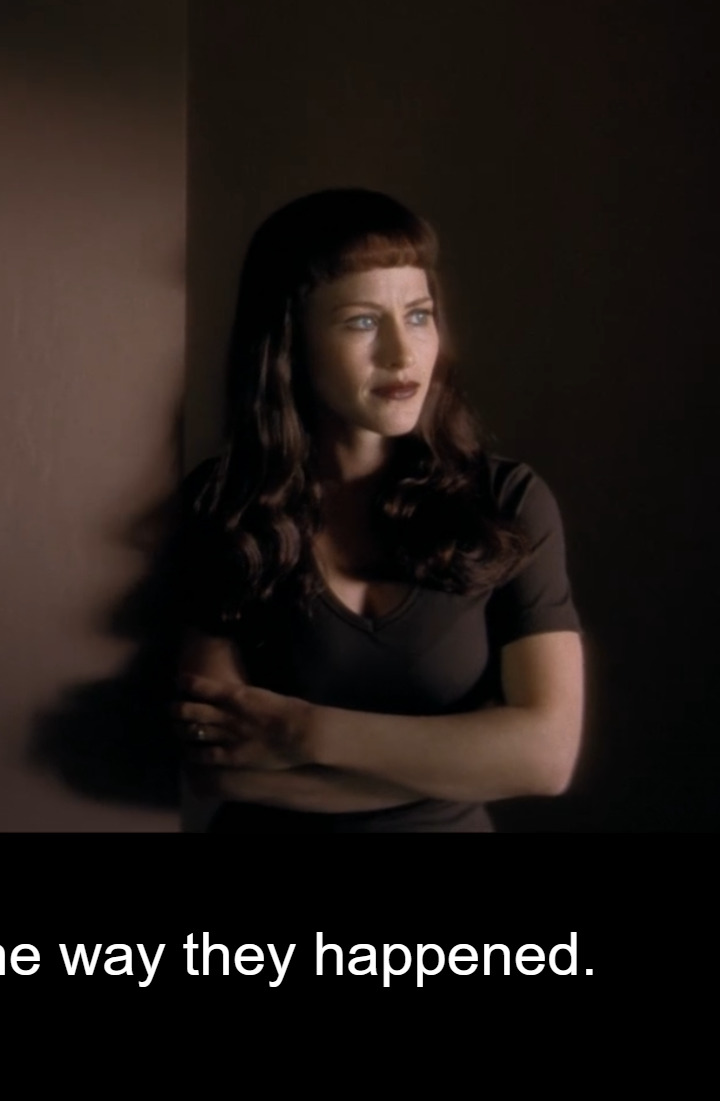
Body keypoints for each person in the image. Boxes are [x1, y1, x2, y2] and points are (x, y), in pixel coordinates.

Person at [173, 188, 582, 832]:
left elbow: (546, 758)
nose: (402, 352)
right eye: (362, 321)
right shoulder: (224, 501)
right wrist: (465, 757)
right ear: (290, 342)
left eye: (418, 315)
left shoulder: (506, 500)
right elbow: (219, 769)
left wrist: (302, 732)